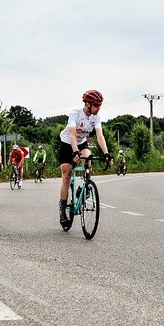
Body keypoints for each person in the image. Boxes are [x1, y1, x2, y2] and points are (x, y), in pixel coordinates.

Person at [58, 90, 112, 227]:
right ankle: (63, 211)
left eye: (100, 105)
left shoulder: (96, 118)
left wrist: (106, 153)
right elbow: (72, 134)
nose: (98, 108)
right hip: (67, 143)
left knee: (88, 157)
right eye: (96, 105)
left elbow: (100, 136)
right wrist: (75, 152)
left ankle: (85, 188)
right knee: (67, 174)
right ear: (87, 104)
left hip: (82, 142)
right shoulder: (75, 114)